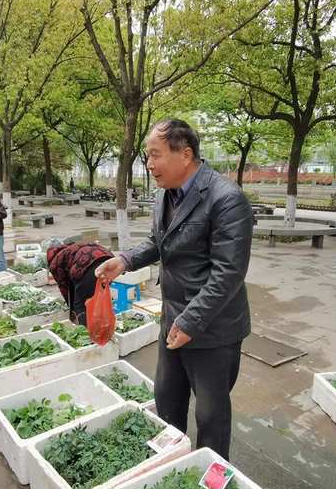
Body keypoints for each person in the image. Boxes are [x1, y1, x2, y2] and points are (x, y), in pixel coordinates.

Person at [95, 119, 252, 461]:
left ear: (186, 154)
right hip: (173, 318)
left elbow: (228, 273)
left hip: (212, 329)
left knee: (211, 416)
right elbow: (159, 242)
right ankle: (173, 467)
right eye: (146, 156)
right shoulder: (164, 194)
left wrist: (190, 322)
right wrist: (124, 260)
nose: (149, 164)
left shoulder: (227, 199)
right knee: (167, 401)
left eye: (155, 155)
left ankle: (212, 485)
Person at [45, 239, 114, 325]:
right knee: (98, 297)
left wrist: (71, 306)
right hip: (110, 262)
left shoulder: (55, 262)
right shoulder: (69, 249)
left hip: (90, 264)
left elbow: (64, 286)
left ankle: (88, 332)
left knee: (80, 304)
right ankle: (103, 325)